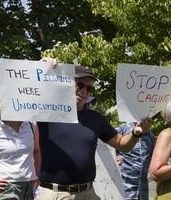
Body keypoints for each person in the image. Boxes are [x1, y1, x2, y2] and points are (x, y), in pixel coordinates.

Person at [35, 62, 152, 200]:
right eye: (80, 85)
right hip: (55, 194)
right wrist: (43, 67)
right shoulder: (46, 112)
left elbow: (122, 144)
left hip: (87, 193)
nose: (84, 91)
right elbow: (28, 95)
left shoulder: (95, 118)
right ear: (65, 82)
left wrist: (136, 133)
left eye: (89, 88)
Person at [116, 122, 155, 200]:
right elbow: (104, 150)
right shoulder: (121, 130)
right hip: (123, 188)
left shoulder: (150, 135)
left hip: (142, 190)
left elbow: (151, 158)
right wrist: (114, 158)